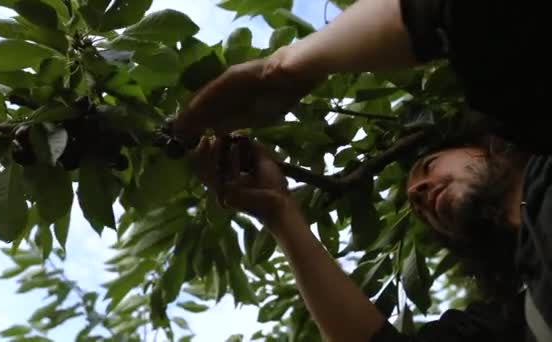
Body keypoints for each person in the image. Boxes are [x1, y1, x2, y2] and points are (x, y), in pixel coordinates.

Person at [174, 0, 552, 341]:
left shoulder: (537, 121)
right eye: (418, 207)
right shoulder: (525, 319)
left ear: (484, 145)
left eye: (428, 165)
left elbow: (463, 15)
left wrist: (287, 67)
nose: (420, 192)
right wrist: (279, 212)